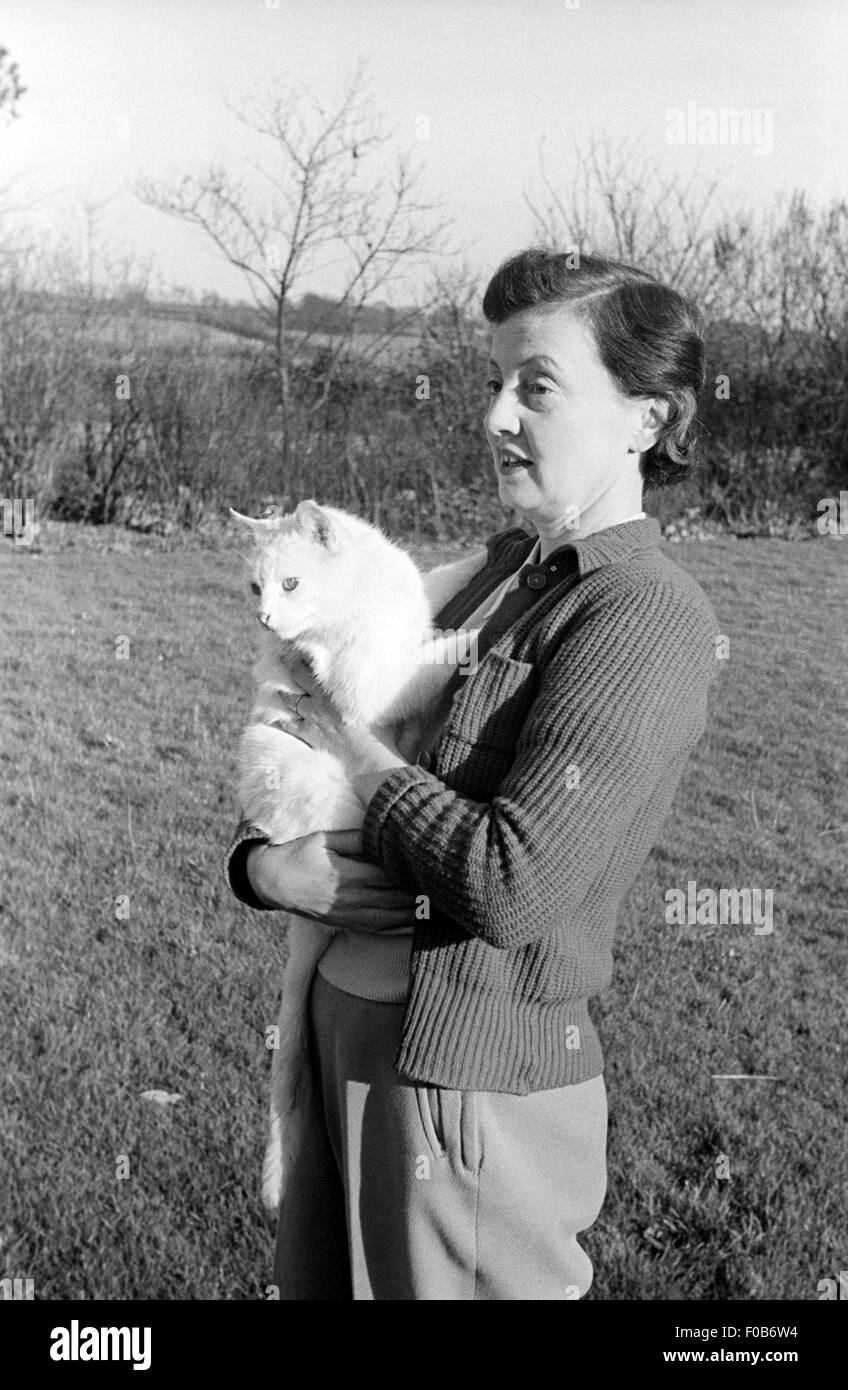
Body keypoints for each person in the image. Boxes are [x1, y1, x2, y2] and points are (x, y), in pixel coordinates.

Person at [224, 247, 718, 1301]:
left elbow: (509, 880)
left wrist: (348, 739)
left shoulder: (642, 613)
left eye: (533, 385)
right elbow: (302, 744)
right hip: (343, 1035)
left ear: (644, 416)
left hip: (465, 1086)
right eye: (492, 382)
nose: (495, 414)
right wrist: (264, 872)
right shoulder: (501, 569)